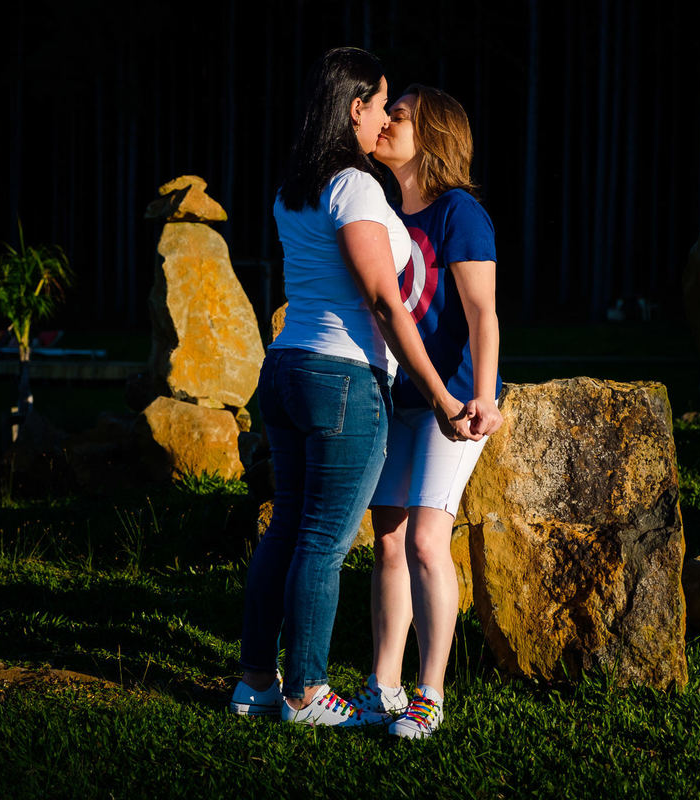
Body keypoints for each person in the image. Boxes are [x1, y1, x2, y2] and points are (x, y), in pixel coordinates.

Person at [229, 50, 469, 728]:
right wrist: (443, 396)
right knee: (323, 542)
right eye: (381, 104)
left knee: (286, 533)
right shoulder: (355, 187)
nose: (386, 118)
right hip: (341, 379)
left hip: (285, 369)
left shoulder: (293, 186)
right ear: (353, 106)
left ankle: (254, 682)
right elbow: (384, 302)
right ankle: (305, 692)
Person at [351, 85, 503, 738]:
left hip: (458, 401)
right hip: (399, 400)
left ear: (433, 135)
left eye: (399, 116)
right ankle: (380, 687)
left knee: (423, 539)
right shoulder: (383, 213)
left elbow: (482, 316)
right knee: (386, 540)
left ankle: (430, 693)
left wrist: (482, 398)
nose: (384, 124)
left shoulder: (459, 213)